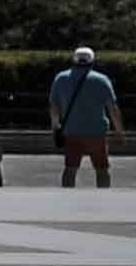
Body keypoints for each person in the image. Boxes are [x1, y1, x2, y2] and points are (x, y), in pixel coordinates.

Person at [45, 46, 115, 189]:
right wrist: (119, 131)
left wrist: (55, 128)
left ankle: (67, 196)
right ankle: (104, 196)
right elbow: (113, 108)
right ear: (92, 61)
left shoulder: (61, 78)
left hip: (71, 132)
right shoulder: (102, 80)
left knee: (70, 169)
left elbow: (53, 107)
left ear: (74, 60)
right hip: (97, 132)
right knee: (102, 170)